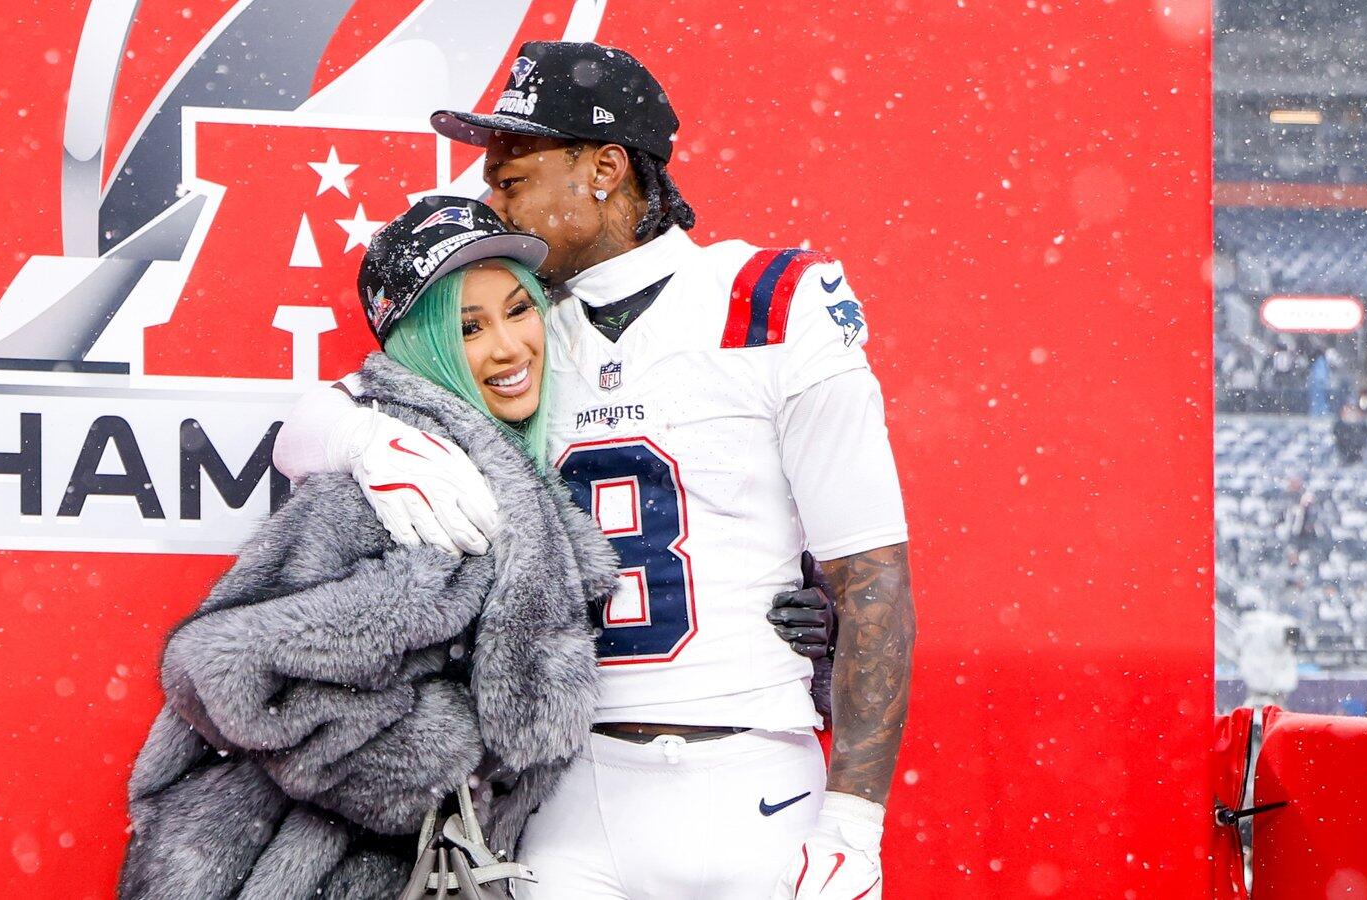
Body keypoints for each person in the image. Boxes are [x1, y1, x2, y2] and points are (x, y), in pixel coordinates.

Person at [274, 41, 914, 900]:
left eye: (512, 178)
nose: (492, 202)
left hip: (757, 775)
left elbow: (873, 573)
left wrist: (854, 823)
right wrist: (362, 440)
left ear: (605, 169)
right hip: (572, 796)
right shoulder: (523, 327)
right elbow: (309, 424)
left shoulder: (769, 301)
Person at [119, 199, 621, 899]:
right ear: (422, 345)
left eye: (519, 309)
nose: (510, 347)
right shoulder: (416, 490)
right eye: (468, 327)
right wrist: (435, 759)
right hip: (314, 873)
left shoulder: (501, 461)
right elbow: (227, 667)